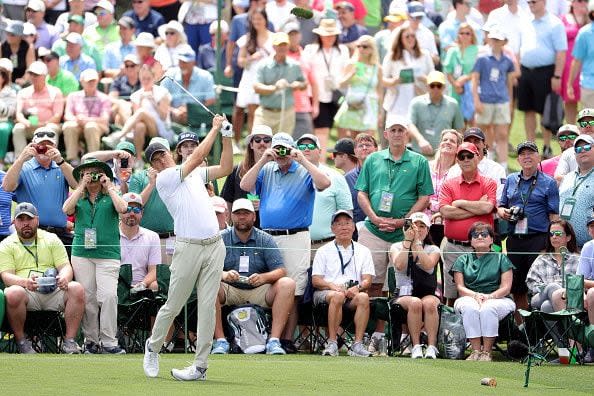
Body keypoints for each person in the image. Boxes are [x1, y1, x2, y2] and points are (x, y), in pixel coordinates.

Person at [142, 115, 230, 381]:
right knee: (174, 303)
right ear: (154, 166)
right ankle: (153, 347)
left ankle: (200, 366)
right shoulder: (166, 178)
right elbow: (198, 155)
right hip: (188, 247)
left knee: (207, 307)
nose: (160, 160)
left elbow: (226, 166)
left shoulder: (196, 174)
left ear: (169, 153)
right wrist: (215, 128)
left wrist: (227, 136)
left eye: (161, 154)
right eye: (155, 159)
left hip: (214, 245)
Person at [240, 132, 331, 351]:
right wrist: (263, 158)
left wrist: (302, 159)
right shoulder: (267, 169)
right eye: (278, 148)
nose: (281, 154)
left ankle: (286, 338)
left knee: (294, 289)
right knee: (268, 285)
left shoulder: (303, 169)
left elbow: (324, 182)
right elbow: (245, 185)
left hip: (296, 235)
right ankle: (266, 336)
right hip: (268, 235)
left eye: (285, 149)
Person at [355, 118, 433, 352]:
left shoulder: (419, 161)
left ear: (407, 134)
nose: (397, 134)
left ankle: (403, 337)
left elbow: (424, 197)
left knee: (402, 285)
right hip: (373, 229)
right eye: (393, 130)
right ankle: (377, 334)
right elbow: (362, 192)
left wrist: (404, 221)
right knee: (374, 284)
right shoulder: (373, 159)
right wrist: (375, 217)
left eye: (402, 130)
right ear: (386, 134)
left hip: (405, 232)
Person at [211, 198, 295, 355]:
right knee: (208, 283)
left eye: (246, 213)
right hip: (230, 289)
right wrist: (224, 274)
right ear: (230, 216)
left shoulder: (265, 238)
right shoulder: (220, 238)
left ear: (254, 217)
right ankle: (220, 341)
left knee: (287, 284)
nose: (242, 217)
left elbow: (280, 270)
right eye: (238, 213)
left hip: (259, 289)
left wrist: (263, 278)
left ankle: (274, 341)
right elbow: (208, 268)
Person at [62, 158, 128, 354]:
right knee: (88, 298)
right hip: (82, 253)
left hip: (108, 253)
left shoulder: (111, 194)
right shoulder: (78, 196)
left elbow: (123, 208)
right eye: (86, 173)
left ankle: (109, 341)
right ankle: (91, 340)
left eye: (95, 173)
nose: (92, 177)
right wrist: (81, 185)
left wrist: (110, 187)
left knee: (108, 296)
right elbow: (66, 210)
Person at [0, 202, 85, 354]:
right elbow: (6, 276)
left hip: (53, 289)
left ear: (37, 220)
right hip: (27, 292)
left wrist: (64, 278)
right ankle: (21, 341)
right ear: (14, 222)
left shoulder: (51, 238)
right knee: (12, 292)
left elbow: (65, 266)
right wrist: (25, 282)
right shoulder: (6, 244)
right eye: (21, 219)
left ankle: (69, 341)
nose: (25, 223)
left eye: (29, 219)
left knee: (76, 288)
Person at [498, 141, 559, 317]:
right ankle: (522, 329)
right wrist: (504, 212)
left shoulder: (549, 182)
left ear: (538, 156)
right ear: (518, 159)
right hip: (514, 240)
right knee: (517, 287)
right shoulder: (511, 180)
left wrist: (551, 242)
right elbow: (501, 206)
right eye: (522, 154)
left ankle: (538, 327)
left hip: (538, 239)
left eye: (530, 153)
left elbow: (553, 216)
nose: (527, 157)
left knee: (539, 286)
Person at [2, 127, 77, 254]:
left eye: (49, 146)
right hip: (32, 233)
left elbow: (76, 184)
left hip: (60, 233)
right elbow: (7, 187)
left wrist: (61, 161)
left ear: (55, 147)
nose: (44, 149)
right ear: (33, 146)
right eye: (40, 145)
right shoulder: (24, 167)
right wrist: (20, 159)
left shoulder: (62, 167)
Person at [439, 142, 497, 306]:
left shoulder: (488, 183)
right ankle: (451, 330)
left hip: (481, 247)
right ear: (457, 160)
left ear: (477, 157)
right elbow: (445, 212)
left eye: (469, 155)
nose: (465, 159)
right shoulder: (449, 184)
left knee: (482, 292)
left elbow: (487, 207)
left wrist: (460, 202)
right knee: (451, 294)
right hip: (453, 246)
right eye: (461, 156)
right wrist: (476, 208)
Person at [312, 209, 373, 357]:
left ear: (353, 227)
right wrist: (331, 286)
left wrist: (357, 288)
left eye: (347, 223)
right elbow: (316, 281)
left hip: (352, 293)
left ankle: (357, 345)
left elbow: (368, 280)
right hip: (327, 292)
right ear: (332, 228)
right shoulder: (323, 250)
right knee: (337, 296)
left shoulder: (363, 251)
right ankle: (332, 343)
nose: (344, 227)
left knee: (364, 297)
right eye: (339, 224)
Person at [452, 222, 515, 361]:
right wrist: (475, 295)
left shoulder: (501, 258)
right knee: (470, 307)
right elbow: (460, 288)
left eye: (484, 234)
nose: (480, 236)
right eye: (475, 235)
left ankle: (486, 352)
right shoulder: (462, 260)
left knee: (488, 308)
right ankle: (475, 351)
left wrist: (489, 297)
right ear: (471, 241)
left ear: (492, 240)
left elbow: (506, 288)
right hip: (469, 296)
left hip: (499, 298)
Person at [518, 0, 568, 158]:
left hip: (546, 71)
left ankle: (546, 146)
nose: (530, 3)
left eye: (533, 1)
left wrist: (557, 75)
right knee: (528, 109)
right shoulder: (525, 21)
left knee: (545, 110)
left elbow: (561, 51)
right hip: (525, 70)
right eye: (529, 1)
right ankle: (530, 146)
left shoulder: (555, 23)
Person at [389, 212, 441, 359]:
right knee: (415, 302)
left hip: (426, 292)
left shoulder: (433, 249)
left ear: (428, 230)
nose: (417, 229)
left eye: (422, 226)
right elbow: (399, 265)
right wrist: (408, 242)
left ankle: (432, 346)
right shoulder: (396, 246)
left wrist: (417, 243)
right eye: (414, 226)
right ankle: (416, 346)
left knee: (430, 303)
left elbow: (428, 266)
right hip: (403, 294)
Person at [296, 133, 353, 259]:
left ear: (320, 151)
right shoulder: (288, 175)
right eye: (301, 146)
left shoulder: (335, 177)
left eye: (311, 146)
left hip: (327, 245)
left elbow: (346, 213)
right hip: (295, 246)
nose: (306, 149)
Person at [103, 65, 173, 163]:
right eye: (143, 79)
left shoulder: (162, 92)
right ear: (140, 79)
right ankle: (139, 159)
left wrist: (153, 101)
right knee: (140, 126)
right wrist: (140, 101)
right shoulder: (136, 95)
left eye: (148, 78)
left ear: (153, 78)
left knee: (142, 112)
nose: (146, 81)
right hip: (145, 128)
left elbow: (163, 116)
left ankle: (119, 136)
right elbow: (136, 118)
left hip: (161, 128)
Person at [303, 18, 350, 159]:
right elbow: (306, 72)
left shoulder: (343, 50)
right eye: (326, 34)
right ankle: (321, 161)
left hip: (338, 94)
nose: (329, 37)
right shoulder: (310, 50)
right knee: (321, 129)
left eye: (332, 34)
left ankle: (343, 159)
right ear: (320, 35)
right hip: (318, 95)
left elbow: (347, 70)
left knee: (343, 128)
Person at [471, 29, 515, 168]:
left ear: (503, 42)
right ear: (489, 40)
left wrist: (510, 101)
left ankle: (503, 166)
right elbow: (475, 80)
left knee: (502, 133)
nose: (495, 42)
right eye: (493, 39)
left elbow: (509, 83)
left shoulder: (507, 60)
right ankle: (486, 162)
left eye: (498, 40)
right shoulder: (482, 59)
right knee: (483, 133)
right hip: (485, 99)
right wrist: (476, 100)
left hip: (502, 100)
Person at [253, 31, 307, 135]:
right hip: (265, 113)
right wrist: (275, 88)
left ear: (288, 45)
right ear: (273, 46)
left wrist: (298, 85)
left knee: (283, 148)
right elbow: (256, 87)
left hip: (286, 113)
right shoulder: (263, 65)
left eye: (284, 44)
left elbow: (304, 84)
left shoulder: (295, 65)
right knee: (260, 143)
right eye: (279, 45)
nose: (282, 47)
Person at [382, 22, 434, 128]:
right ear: (400, 39)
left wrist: (423, 78)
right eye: (407, 36)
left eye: (413, 36)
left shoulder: (424, 55)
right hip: (397, 101)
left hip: (419, 98)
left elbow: (434, 78)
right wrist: (396, 80)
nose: (411, 39)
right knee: (397, 133)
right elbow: (382, 79)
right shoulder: (392, 56)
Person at [221, 124, 273, 226]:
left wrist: (263, 204)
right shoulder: (238, 170)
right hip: (241, 229)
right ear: (251, 144)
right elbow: (227, 201)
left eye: (266, 140)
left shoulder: (278, 169)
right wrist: (226, 227)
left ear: (272, 144)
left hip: (270, 229)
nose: (262, 143)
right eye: (257, 140)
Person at [235, 8, 273, 142]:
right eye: (254, 19)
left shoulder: (273, 38)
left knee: (260, 112)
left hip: (267, 79)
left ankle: (259, 140)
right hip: (249, 78)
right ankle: (247, 141)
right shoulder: (246, 39)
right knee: (250, 110)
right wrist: (252, 58)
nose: (257, 22)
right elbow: (240, 61)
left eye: (260, 19)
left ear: (265, 20)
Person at [526, 219, 579, 313]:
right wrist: (548, 289)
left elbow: (580, 285)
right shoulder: (541, 259)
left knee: (547, 306)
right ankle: (571, 323)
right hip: (540, 297)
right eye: (551, 234)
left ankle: (566, 327)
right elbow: (531, 282)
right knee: (552, 287)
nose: (554, 237)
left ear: (568, 237)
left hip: (571, 301)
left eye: (558, 233)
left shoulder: (577, 259)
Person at [334, 34, 381, 140]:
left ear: (372, 49)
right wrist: (351, 74)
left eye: (364, 46)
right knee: (352, 142)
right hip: (353, 105)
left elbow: (380, 91)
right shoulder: (351, 64)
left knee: (367, 141)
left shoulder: (377, 68)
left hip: (370, 106)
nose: (361, 49)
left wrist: (380, 112)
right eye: (358, 46)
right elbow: (341, 84)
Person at [12, 61, 63, 157]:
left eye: (36, 74)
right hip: (29, 125)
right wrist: (25, 122)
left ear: (44, 76)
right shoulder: (23, 92)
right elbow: (18, 113)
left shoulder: (55, 92)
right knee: (18, 128)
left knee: (51, 127)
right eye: (31, 74)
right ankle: (23, 161)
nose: (33, 77)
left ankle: (50, 158)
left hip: (48, 125)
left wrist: (44, 124)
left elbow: (57, 115)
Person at [62, 69, 111, 165]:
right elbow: (67, 115)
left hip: (97, 126)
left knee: (90, 126)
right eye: (89, 81)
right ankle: (73, 160)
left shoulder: (104, 98)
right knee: (69, 126)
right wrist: (78, 119)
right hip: (78, 124)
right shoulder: (73, 96)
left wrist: (87, 120)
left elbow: (105, 119)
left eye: (94, 80)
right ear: (82, 82)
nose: (91, 83)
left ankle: (93, 159)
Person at [408, 71, 464, 152]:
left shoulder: (453, 104)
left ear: (444, 87)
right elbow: (410, 125)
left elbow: (459, 129)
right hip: (419, 154)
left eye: (439, 85)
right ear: (427, 86)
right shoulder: (416, 103)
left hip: (444, 155)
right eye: (432, 85)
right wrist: (421, 140)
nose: (435, 88)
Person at [161, 45, 216, 125]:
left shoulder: (206, 76)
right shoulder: (169, 75)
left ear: (193, 62)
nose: (182, 65)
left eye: (186, 62)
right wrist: (173, 111)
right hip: (171, 118)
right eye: (180, 61)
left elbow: (210, 101)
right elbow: (160, 99)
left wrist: (191, 111)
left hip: (197, 119)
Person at [119, 192, 160, 292]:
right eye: (127, 209)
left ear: (142, 213)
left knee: (155, 285)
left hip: (142, 286)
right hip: (116, 284)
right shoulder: (110, 235)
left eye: (137, 210)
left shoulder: (152, 236)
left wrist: (143, 284)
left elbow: (154, 270)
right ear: (120, 211)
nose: (132, 213)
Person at [558, 134, 594, 248]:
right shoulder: (568, 177)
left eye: (587, 147)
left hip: (590, 247)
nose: (582, 151)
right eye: (578, 149)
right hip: (566, 247)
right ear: (575, 155)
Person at [559, 0, 589, 124]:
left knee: (587, 100)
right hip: (568, 64)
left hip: (587, 64)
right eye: (579, 0)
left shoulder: (590, 18)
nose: (582, 3)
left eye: (585, 1)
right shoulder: (563, 19)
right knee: (570, 100)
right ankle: (571, 129)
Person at [428, 129, 463, 221]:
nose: (448, 142)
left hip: (447, 219)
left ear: (458, 148)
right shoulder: (427, 167)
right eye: (445, 140)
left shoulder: (460, 172)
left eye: (452, 141)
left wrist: (433, 206)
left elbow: (457, 201)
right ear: (440, 144)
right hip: (423, 219)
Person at [345, 133, 378, 226]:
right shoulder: (348, 178)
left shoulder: (386, 174)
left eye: (368, 145)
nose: (364, 148)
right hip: (357, 228)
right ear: (355, 151)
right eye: (360, 146)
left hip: (382, 226)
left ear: (376, 149)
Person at [555, 108, 594, 182]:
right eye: (584, 124)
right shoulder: (568, 153)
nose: (588, 126)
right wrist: (581, 182)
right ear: (579, 129)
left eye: (592, 122)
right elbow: (558, 177)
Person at [577, 215, 594, 362]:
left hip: (592, 291)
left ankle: (593, 346)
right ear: (588, 230)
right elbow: (580, 279)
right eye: (592, 226)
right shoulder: (588, 247)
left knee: (593, 293)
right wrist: (582, 294)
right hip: (589, 291)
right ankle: (572, 350)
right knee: (557, 295)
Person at [108, 54, 141, 127]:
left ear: (138, 67)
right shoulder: (118, 81)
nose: (129, 68)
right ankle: (130, 130)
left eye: (132, 66)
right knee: (121, 106)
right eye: (127, 66)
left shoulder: (143, 81)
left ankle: (127, 130)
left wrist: (133, 104)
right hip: (121, 108)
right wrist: (123, 103)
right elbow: (111, 98)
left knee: (118, 118)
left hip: (138, 109)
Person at [0, 20, 35, 85]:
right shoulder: (2, 46)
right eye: (8, 33)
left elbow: (30, 67)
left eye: (12, 35)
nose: (9, 36)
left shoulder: (28, 47)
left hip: (22, 82)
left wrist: (24, 79)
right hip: (4, 81)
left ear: (20, 36)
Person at [0, 59, 17, 165]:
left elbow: (9, 112)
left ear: (3, 78)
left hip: (6, 121)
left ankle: (0, 160)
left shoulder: (10, 92)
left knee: (2, 129)